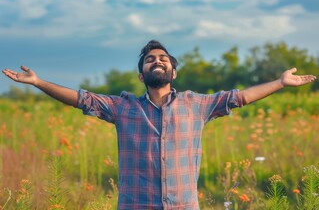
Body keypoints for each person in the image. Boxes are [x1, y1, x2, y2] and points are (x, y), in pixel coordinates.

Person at [2, 40, 317, 209]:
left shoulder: (197, 105)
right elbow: (80, 98)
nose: (158, 61)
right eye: (150, 59)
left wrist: (280, 82)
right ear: (141, 75)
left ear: (173, 73)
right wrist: (39, 82)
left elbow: (241, 97)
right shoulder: (123, 107)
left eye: (163, 58)